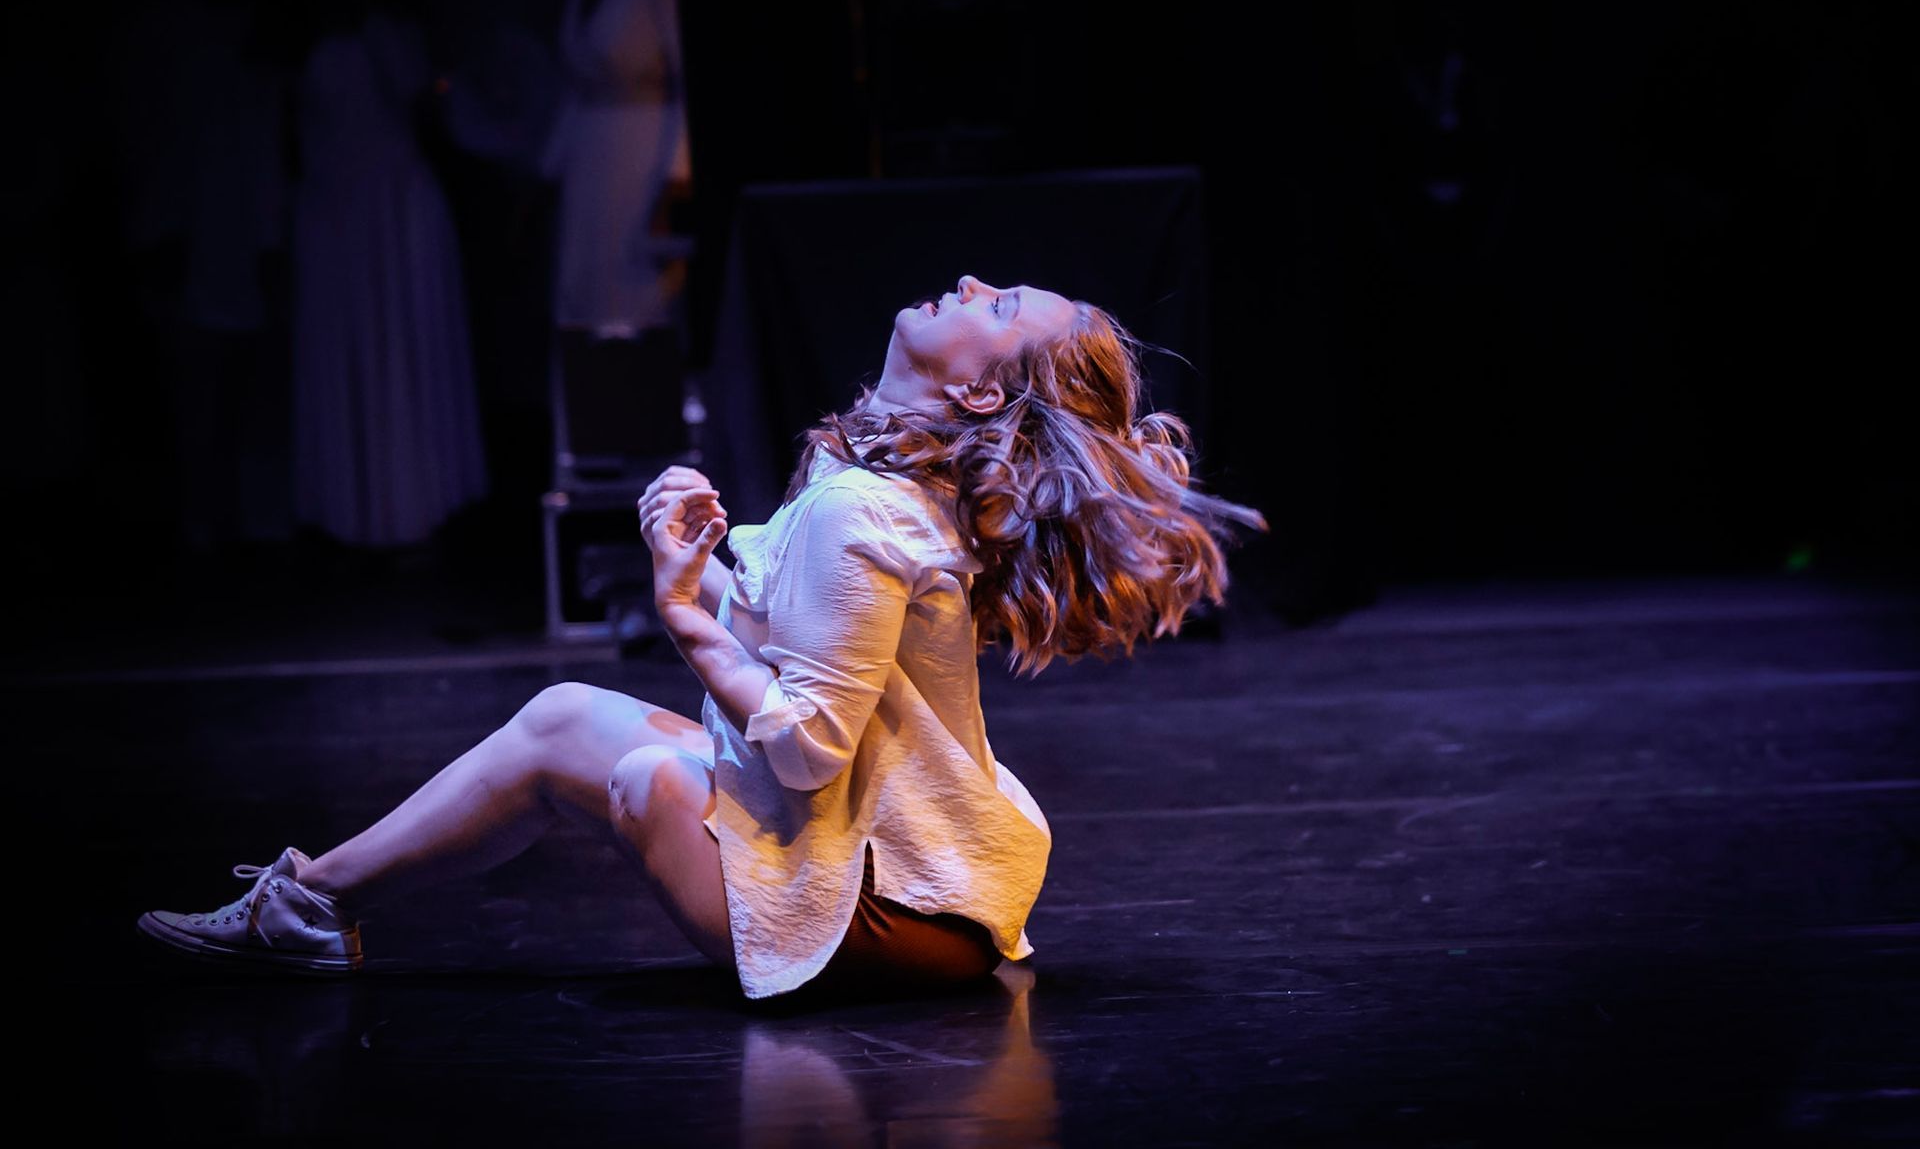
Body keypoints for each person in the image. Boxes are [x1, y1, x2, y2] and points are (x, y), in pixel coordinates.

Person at [137, 276, 1267, 1001]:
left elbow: (809, 747)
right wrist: (703, 559)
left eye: (1002, 303)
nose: (971, 282)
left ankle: (304, 905)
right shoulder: (884, 483)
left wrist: (682, 610)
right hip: (927, 883)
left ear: (979, 392)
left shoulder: (866, 509)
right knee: (563, 718)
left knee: (635, 773)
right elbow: (805, 641)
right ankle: (311, 900)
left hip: (877, 921)